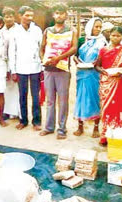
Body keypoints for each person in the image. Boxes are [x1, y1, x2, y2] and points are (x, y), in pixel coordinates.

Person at [39, 4, 78, 139]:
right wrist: (44, 60)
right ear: (53, 15)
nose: (59, 15)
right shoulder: (47, 31)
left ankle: (61, 129)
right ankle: (49, 127)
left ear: (66, 15)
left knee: (63, 100)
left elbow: (74, 48)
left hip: (63, 70)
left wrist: (58, 58)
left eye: (62, 13)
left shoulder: (71, 31)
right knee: (49, 100)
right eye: (57, 13)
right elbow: (42, 48)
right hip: (49, 69)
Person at [95, 27, 122, 146]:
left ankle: (116, 135)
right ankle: (105, 135)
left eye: (118, 36)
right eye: (113, 35)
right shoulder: (103, 50)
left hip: (119, 84)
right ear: (109, 36)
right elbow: (97, 66)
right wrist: (105, 72)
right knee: (106, 109)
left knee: (118, 109)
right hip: (106, 83)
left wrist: (121, 72)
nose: (115, 38)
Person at [8, 6, 43, 131]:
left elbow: (41, 49)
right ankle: (23, 120)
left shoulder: (37, 30)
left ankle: (37, 121)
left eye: (31, 15)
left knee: (36, 96)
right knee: (22, 95)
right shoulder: (14, 31)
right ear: (20, 16)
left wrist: (42, 67)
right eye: (27, 15)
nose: (29, 18)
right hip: (20, 68)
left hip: (36, 67)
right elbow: (12, 52)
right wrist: (13, 70)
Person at [73, 17, 105, 139]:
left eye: (100, 27)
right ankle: (80, 126)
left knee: (95, 99)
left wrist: (96, 63)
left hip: (94, 74)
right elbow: (75, 55)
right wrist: (77, 61)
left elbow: (103, 57)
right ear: (90, 27)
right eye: (96, 26)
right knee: (80, 99)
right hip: (82, 72)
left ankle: (96, 127)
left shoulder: (102, 41)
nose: (98, 29)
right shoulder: (82, 40)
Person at [0, 7, 21, 120]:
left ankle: (17, 112)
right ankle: (6, 111)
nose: (8, 19)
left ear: (15, 17)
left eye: (10, 16)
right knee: (6, 87)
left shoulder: (18, 29)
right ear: (3, 18)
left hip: (17, 63)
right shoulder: (1, 30)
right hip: (4, 63)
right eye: (6, 16)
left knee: (16, 88)